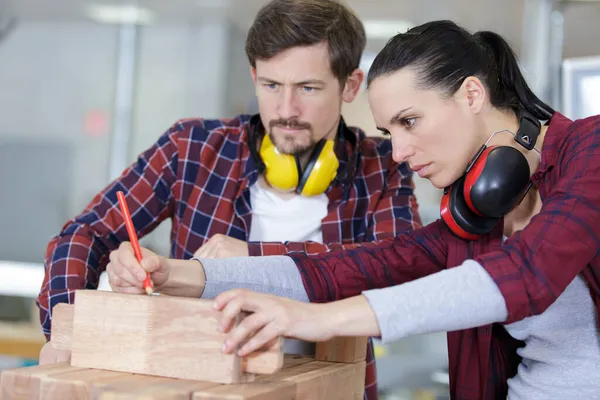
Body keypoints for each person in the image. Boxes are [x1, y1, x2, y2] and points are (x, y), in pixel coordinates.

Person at [106, 20, 600, 400]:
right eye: (389, 132)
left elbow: (529, 273)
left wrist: (317, 320)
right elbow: (356, 266)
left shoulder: (591, 150)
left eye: (411, 121)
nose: (399, 152)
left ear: (472, 94)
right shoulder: (473, 216)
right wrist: (181, 274)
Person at [37, 1, 423, 398]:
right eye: (271, 85)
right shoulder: (191, 148)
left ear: (351, 85)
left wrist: (252, 257)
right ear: (254, 75)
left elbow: (399, 272)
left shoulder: (384, 166)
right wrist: (65, 332)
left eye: (308, 88)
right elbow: (84, 234)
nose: (286, 110)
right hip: (201, 386)